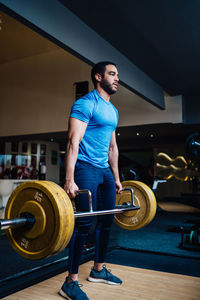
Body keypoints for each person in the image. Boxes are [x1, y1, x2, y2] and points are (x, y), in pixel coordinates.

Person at [59, 61, 123, 300]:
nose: (117, 79)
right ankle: (70, 281)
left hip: (104, 171)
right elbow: (72, 142)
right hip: (85, 168)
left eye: (117, 75)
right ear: (98, 77)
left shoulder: (113, 110)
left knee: (107, 222)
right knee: (84, 225)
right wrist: (69, 179)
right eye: (112, 74)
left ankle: (98, 270)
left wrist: (116, 178)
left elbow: (113, 147)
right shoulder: (85, 104)